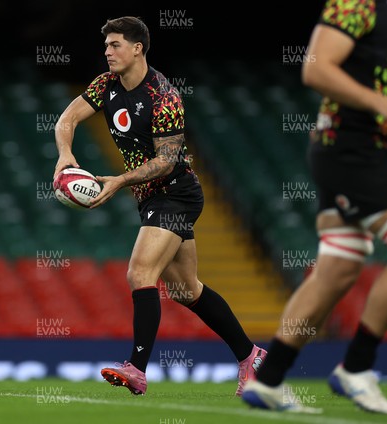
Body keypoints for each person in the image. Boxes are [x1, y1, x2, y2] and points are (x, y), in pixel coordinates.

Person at [241, 0, 387, 415]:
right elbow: (316, 68)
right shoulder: (357, 4)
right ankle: (357, 367)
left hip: (350, 151)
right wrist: (383, 105)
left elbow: (382, 80)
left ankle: (270, 379)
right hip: (352, 150)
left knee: (335, 271)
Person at [53, 16, 266, 396]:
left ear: (138, 48)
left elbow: (167, 160)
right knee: (186, 290)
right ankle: (251, 356)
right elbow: (67, 118)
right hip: (150, 196)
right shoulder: (106, 85)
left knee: (139, 272)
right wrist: (65, 153)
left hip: (176, 192)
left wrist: (119, 180)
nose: (107, 52)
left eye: (115, 44)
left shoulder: (164, 96)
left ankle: (136, 367)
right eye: (105, 46)